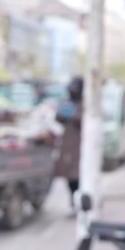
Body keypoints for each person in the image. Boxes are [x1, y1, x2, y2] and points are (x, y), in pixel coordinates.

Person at [54, 76, 83, 214]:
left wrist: (74, 116)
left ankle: (78, 201)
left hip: (80, 146)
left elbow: (83, 122)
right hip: (68, 144)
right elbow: (58, 118)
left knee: (79, 176)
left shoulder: (85, 104)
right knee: (69, 176)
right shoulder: (66, 103)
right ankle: (72, 201)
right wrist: (63, 113)